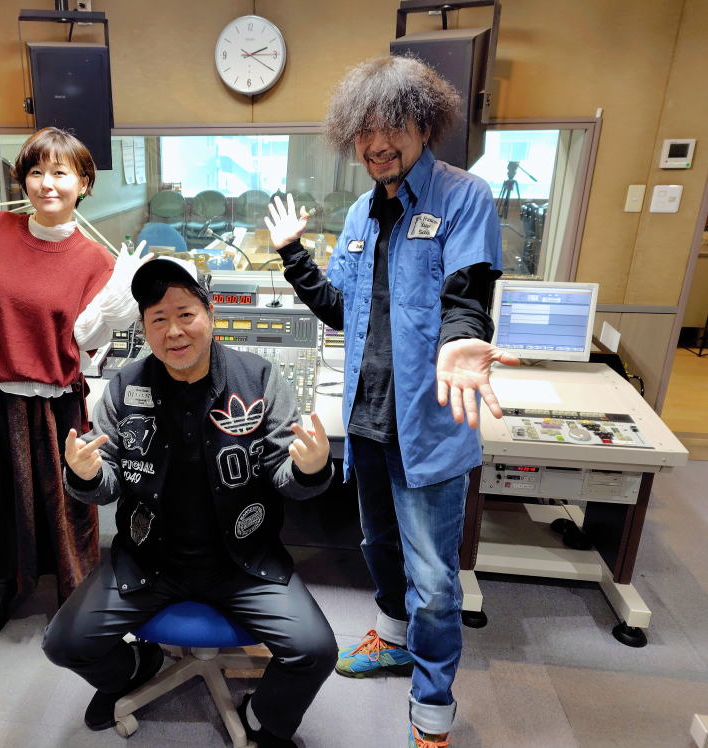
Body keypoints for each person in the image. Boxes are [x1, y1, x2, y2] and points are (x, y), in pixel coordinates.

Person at [264, 56, 520, 747]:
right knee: (377, 544)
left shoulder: (463, 197)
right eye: (365, 132)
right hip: (369, 422)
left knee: (434, 581)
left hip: (428, 423)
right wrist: (292, 254)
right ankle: (393, 638)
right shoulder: (359, 212)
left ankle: (432, 708)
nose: (377, 144)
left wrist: (461, 340)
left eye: (393, 128)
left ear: (424, 126)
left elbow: (466, 294)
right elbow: (339, 311)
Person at [42, 257, 337, 746]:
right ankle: (134, 667)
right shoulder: (124, 387)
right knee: (64, 644)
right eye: (158, 319)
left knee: (316, 651)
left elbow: (286, 475)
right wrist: (86, 475)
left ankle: (263, 715)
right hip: (150, 559)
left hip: (243, 561)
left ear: (210, 315)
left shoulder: (259, 378)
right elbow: (107, 481)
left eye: (185, 314)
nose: (174, 331)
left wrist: (309, 469)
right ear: (144, 329)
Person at [0, 127, 151, 638]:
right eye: (35, 172)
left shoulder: (96, 260)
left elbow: (85, 340)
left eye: (59, 172)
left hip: (53, 403)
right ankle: (4, 583)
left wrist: (120, 298)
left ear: (83, 183)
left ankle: (71, 588)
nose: (46, 183)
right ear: (23, 180)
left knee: (64, 501)